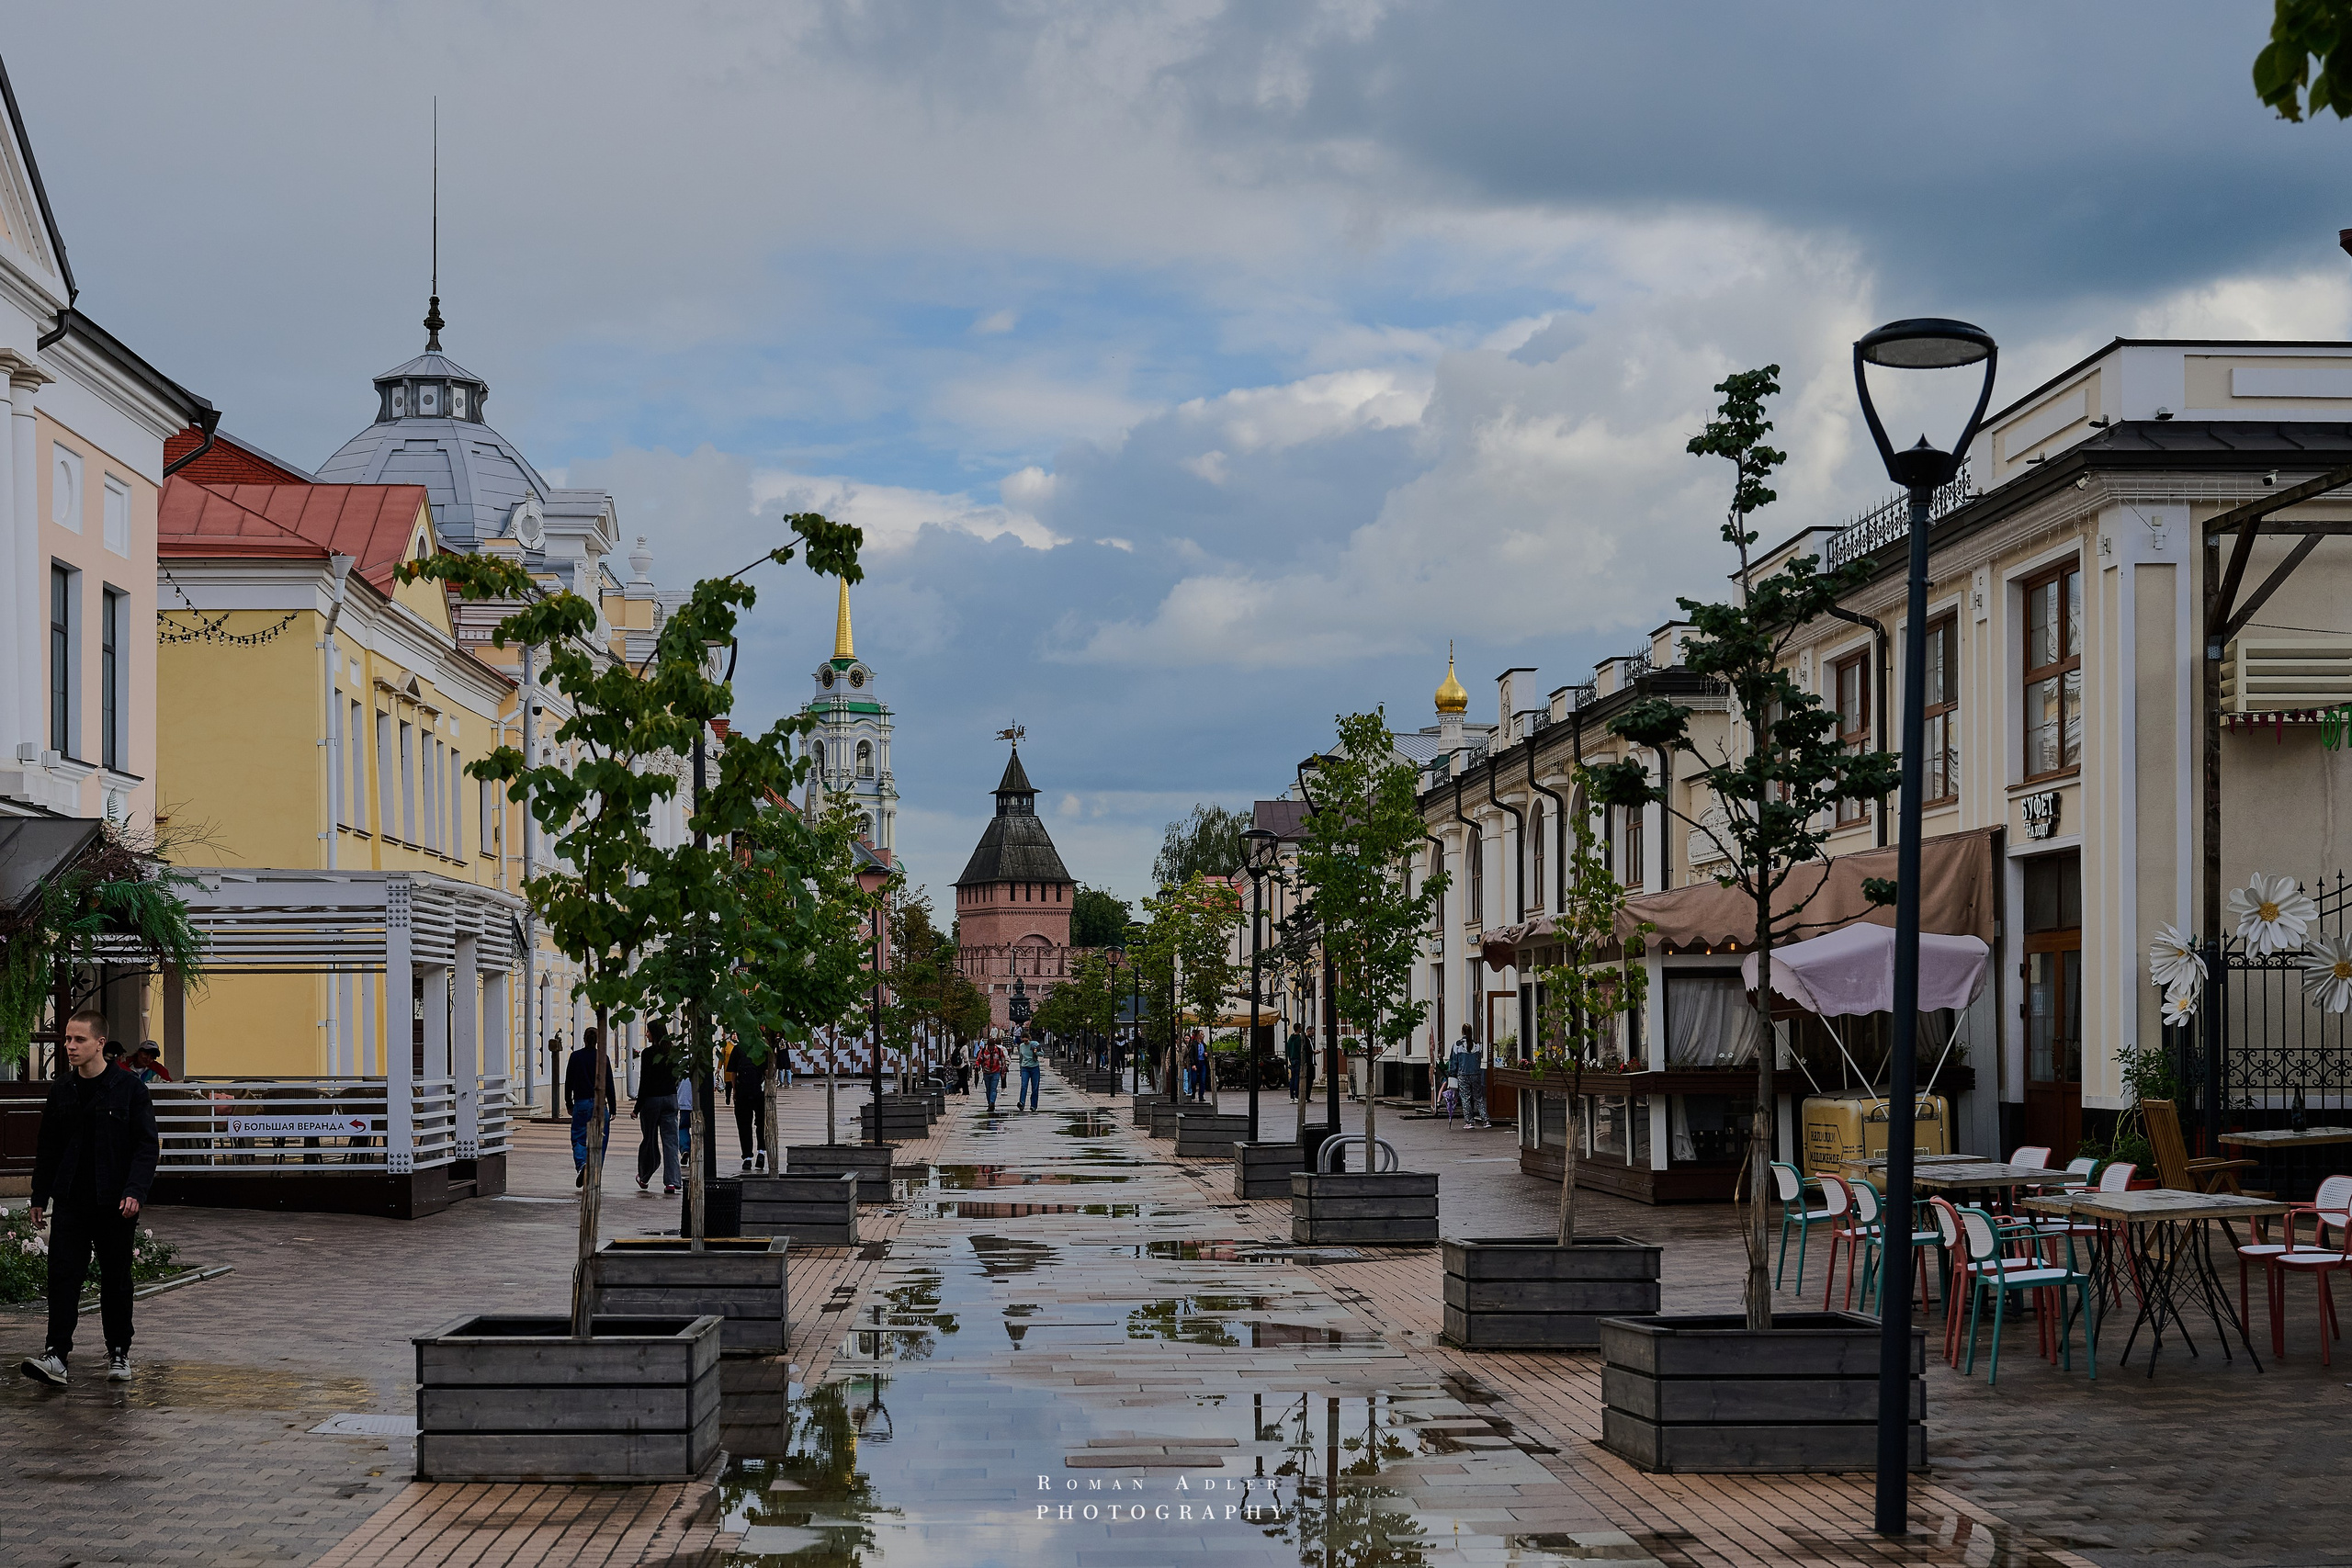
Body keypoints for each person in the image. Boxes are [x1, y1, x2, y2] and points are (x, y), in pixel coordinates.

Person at [22, 1009, 158, 1387]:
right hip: (70, 1202)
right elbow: (47, 1147)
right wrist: (39, 1195)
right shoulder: (62, 1089)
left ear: (100, 1043)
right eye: (67, 1039)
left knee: (116, 1279)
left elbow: (146, 1147)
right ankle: (55, 1355)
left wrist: (135, 1191)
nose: (70, 1046)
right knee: (63, 1277)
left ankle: (118, 1352)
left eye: (78, 1039)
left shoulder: (130, 1089)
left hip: (115, 1203)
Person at [634, 1026, 681, 1196]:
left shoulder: (647, 1054)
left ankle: (644, 1177)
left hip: (651, 1101)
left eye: (648, 1031)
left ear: (654, 1034)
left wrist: (637, 1108)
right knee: (671, 1142)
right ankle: (672, 1182)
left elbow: (644, 1082)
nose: (646, 1033)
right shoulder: (673, 1053)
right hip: (670, 1098)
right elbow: (677, 1076)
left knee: (649, 1140)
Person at [566, 1028, 616, 1187]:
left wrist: (569, 1103)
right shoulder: (603, 1058)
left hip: (581, 1103)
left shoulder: (575, 1057)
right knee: (601, 1141)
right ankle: (594, 1173)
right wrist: (613, 1107)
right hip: (600, 1104)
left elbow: (569, 1082)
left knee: (579, 1139)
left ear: (584, 1039)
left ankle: (582, 1166)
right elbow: (609, 1084)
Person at [725, 1041, 766, 1171]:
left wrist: (734, 1089)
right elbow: (768, 1070)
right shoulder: (762, 1047)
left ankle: (747, 1158)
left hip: (742, 1091)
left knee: (744, 1125)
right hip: (759, 1091)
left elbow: (732, 1072)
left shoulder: (738, 1049)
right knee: (762, 1123)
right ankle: (761, 1152)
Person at [1450, 1023, 1488, 1129]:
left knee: (1465, 1098)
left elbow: (1453, 1061)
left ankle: (1469, 1122)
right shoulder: (1477, 1045)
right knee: (1479, 1097)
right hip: (1476, 1074)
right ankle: (1486, 1120)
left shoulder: (1457, 1045)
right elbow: (1479, 1059)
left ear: (1462, 1032)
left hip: (1463, 1074)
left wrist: (1452, 1073)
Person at [977, 1036, 1009, 1111]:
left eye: (992, 1046)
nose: (991, 1048)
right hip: (986, 1072)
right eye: (990, 1046)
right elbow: (979, 1060)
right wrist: (977, 1066)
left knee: (993, 1088)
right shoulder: (983, 1050)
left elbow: (1003, 1060)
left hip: (996, 1071)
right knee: (988, 1089)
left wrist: (1003, 1070)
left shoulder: (998, 1050)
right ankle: (989, 1104)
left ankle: (992, 1103)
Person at [1016, 1031, 1042, 1111]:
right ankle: (1022, 1103)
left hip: (1034, 1067)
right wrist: (1020, 1069)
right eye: (1023, 1041)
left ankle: (1033, 1105)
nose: (1025, 1042)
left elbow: (1042, 1053)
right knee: (1024, 1086)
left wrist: (1036, 1052)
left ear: (1029, 1039)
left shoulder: (1035, 1044)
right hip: (1025, 1068)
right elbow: (1021, 1058)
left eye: (1026, 1041)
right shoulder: (1021, 1046)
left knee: (1035, 1087)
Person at [1285, 1030, 1306, 1100]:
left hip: (1292, 1059)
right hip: (1298, 1059)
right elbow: (1301, 1049)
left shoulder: (1290, 1039)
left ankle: (1292, 1096)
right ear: (1298, 1029)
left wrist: (1290, 1058)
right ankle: (1297, 1095)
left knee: (1292, 1078)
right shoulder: (1299, 1038)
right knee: (1297, 1078)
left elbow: (1288, 1049)